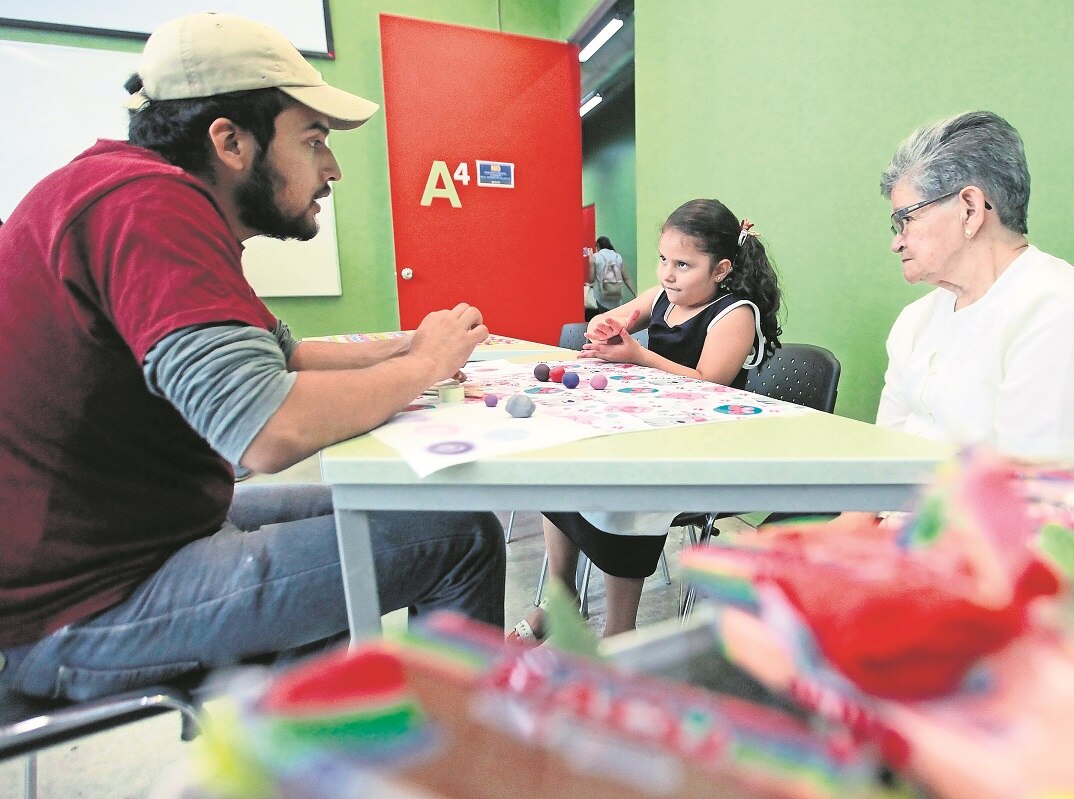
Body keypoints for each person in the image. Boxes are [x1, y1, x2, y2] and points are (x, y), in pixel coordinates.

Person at [0, 12, 504, 703]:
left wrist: (411, 345)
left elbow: (282, 356)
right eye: (314, 140)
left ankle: (306, 746)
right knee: (460, 535)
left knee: (374, 505)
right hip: (75, 608)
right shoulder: (147, 206)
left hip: (128, 545)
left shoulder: (128, 192)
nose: (332, 169)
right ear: (230, 141)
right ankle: (468, 764)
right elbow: (269, 429)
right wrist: (422, 367)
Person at [509, 199, 783, 641]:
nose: (667, 274)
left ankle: (620, 629)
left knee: (624, 488)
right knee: (561, 466)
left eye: (683, 264)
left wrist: (636, 354)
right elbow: (616, 316)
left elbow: (708, 381)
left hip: (702, 445)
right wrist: (605, 326)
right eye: (663, 260)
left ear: (721, 269)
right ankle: (560, 601)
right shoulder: (663, 296)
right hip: (655, 427)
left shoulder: (736, 313)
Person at [876, 110, 1074, 461]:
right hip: (912, 513)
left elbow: (1028, 494)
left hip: (1016, 516)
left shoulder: (1064, 310)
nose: (898, 242)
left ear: (970, 209)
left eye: (906, 219)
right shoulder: (915, 320)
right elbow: (879, 461)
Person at [585, 235, 635, 321]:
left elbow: (591, 279)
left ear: (597, 246)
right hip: (616, 297)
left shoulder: (596, 257)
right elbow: (626, 278)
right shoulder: (618, 257)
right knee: (614, 321)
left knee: (603, 322)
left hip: (601, 297)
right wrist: (635, 293)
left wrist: (590, 261)